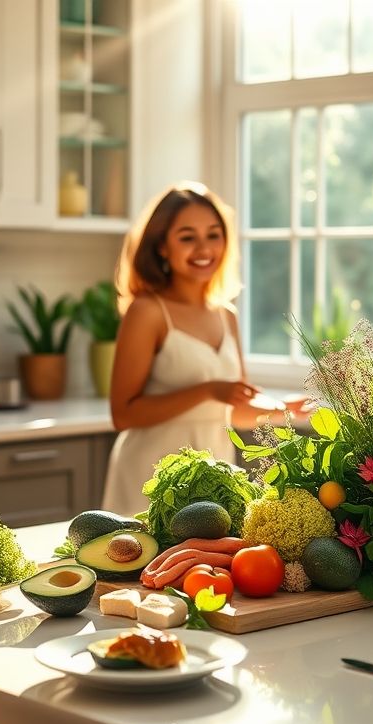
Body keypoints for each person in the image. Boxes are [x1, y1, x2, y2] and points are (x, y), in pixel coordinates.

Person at [102, 182, 294, 515]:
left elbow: (232, 410)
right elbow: (123, 413)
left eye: (214, 235)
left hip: (212, 477)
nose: (204, 248)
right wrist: (207, 390)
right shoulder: (148, 311)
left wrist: (287, 411)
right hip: (151, 476)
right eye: (187, 237)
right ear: (162, 246)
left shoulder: (226, 315)